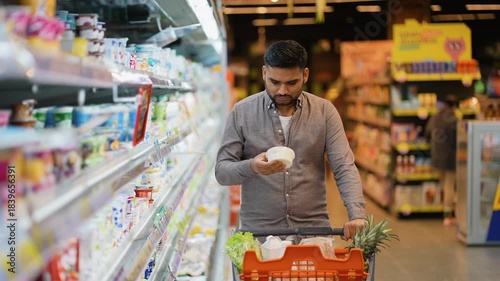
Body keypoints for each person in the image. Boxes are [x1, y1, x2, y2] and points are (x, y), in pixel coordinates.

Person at [215, 40, 366, 240]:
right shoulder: (242, 113)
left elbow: (343, 166)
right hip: (260, 236)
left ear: (305, 75)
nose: (282, 91)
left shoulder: (324, 112)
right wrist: (252, 167)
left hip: (313, 234)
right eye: (274, 82)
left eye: (291, 83)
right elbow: (222, 172)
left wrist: (357, 215)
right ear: (264, 73)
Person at [425, 95, 459, 226]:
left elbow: (427, 133)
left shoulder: (435, 117)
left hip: (436, 157)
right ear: (454, 106)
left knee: (443, 184)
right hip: (450, 158)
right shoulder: (455, 119)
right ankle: (448, 215)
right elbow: (459, 138)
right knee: (450, 185)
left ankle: (444, 210)